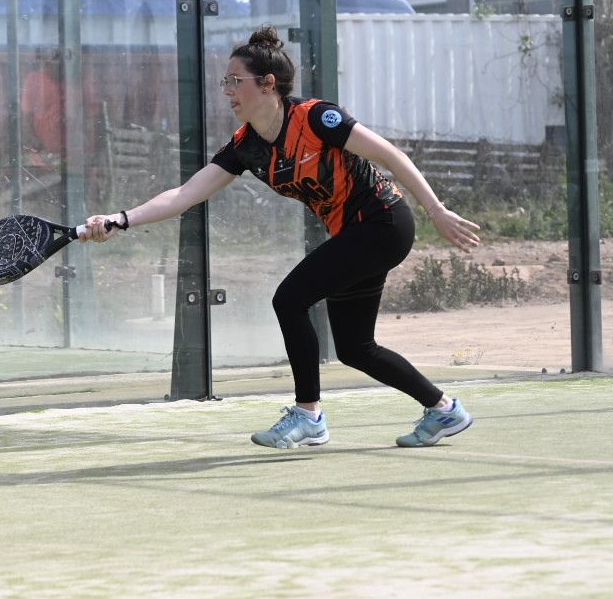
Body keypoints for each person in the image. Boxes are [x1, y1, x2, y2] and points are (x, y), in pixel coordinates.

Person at [77, 26, 482, 449]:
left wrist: (437, 210)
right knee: (355, 348)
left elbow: (390, 155)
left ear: (268, 84)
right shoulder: (246, 146)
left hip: (383, 222)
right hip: (356, 234)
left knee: (289, 299)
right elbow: (185, 194)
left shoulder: (316, 118)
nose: (227, 91)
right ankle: (443, 409)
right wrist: (121, 219)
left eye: (236, 81)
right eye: (225, 81)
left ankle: (309, 415)